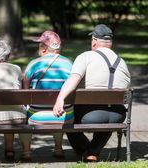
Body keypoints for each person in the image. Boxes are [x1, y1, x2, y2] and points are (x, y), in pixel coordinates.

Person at [53, 24, 131, 161]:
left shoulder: (86, 57)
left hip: (91, 116)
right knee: (108, 118)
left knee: (69, 116)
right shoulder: (122, 62)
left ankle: (85, 151)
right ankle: (93, 151)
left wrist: (60, 99)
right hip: (118, 115)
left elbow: (74, 78)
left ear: (94, 40)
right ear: (110, 42)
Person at [20, 30, 74, 160]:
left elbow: (25, 91)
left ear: (43, 48)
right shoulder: (69, 64)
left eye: (40, 45)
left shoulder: (34, 64)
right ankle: (58, 148)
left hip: (36, 117)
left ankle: (26, 151)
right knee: (60, 108)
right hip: (64, 117)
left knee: (23, 112)